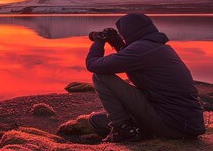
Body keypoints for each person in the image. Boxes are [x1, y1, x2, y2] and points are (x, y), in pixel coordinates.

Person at [86, 13, 205, 142]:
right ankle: (133, 129)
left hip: (173, 124)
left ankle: (124, 130)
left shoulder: (141, 50)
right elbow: (131, 56)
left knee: (100, 77)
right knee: (96, 120)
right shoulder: (155, 47)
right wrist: (116, 42)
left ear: (129, 31)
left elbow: (94, 65)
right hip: (182, 122)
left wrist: (98, 42)